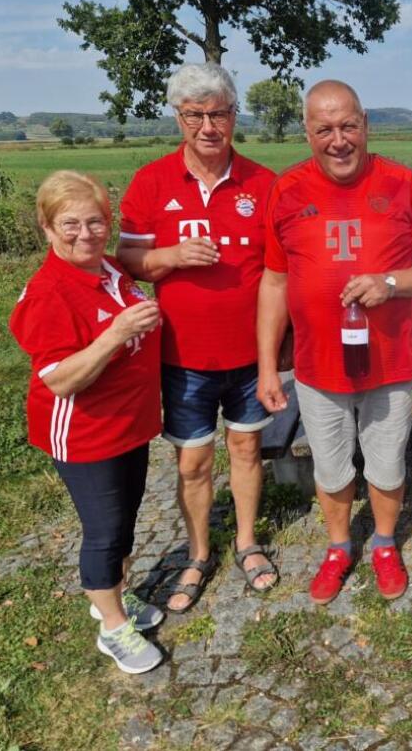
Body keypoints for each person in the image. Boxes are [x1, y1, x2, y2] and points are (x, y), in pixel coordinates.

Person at [256, 80, 412, 605]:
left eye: (348, 126)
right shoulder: (288, 189)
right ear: (308, 132)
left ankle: (386, 544)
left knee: (387, 464)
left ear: (365, 124)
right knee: (331, 466)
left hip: (388, 365)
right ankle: (340, 545)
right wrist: (264, 368)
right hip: (318, 368)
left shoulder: (402, 183)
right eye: (324, 129)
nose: (338, 140)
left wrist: (390, 282)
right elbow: (274, 282)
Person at [117, 63, 278, 613]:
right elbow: (127, 260)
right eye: (195, 116)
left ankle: (248, 542)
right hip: (183, 356)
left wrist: (277, 352)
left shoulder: (263, 184)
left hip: (250, 354)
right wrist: (171, 256)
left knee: (247, 449)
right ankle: (197, 552)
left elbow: (280, 271)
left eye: (218, 114)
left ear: (235, 115)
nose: (208, 126)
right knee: (192, 463)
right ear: (179, 118)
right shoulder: (152, 182)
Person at [10, 170, 165, 674]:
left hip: (128, 423)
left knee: (125, 521)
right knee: (104, 530)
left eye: (96, 221)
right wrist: (116, 333)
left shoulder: (111, 271)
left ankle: (114, 597)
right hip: (84, 431)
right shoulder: (49, 292)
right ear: (47, 227)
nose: (85, 233)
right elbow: (60, 380)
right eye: (70, 224)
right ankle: (112, 626)